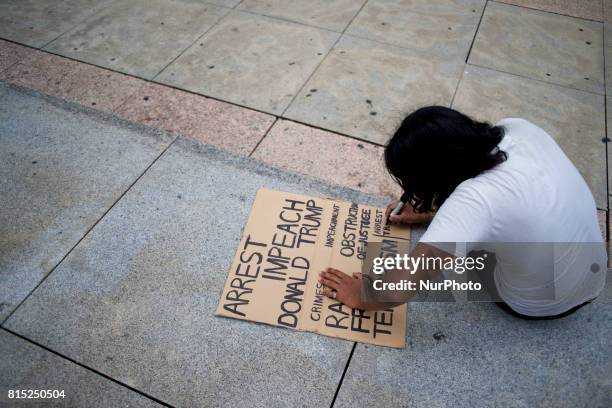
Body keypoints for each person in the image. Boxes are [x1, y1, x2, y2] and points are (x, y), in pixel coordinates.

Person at [318, 106, 606, 319]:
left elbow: (399, 288)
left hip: (540, 303)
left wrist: (361, 294)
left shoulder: (475, 202)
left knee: (451, 257)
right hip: (592, 274)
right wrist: (432, 208)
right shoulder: (517, 128)